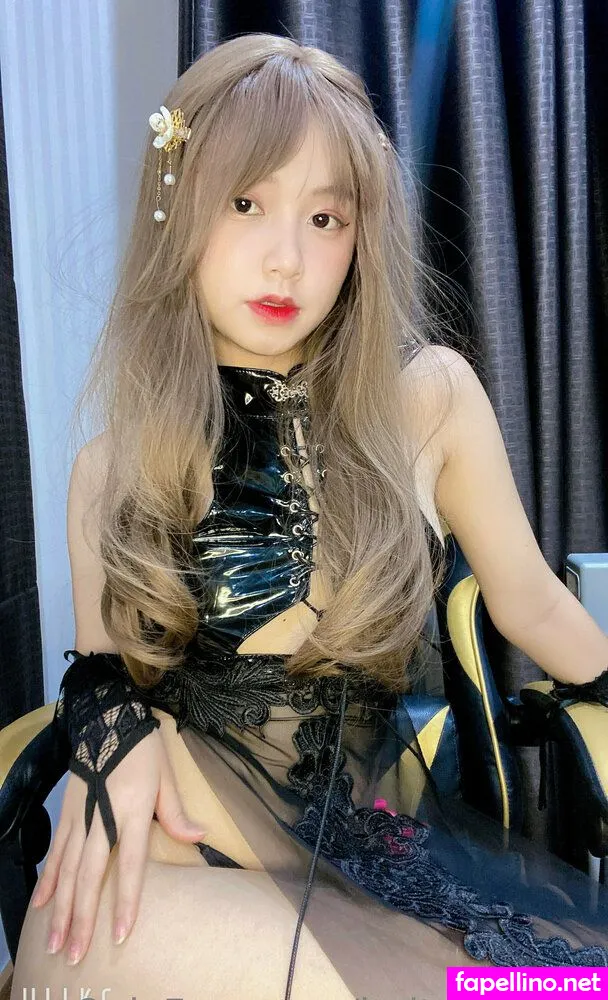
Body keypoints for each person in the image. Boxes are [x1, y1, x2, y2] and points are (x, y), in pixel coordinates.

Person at [10, 32, 608, 1000]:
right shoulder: (110, 469)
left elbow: (532, 602)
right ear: (176, 207)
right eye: (244, 203)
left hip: (351, 874)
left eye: (325, 218)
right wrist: (108, 723)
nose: (285, 259)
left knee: (560, 985)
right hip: (156, 893)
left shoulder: (428, 399)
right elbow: (105, 669)